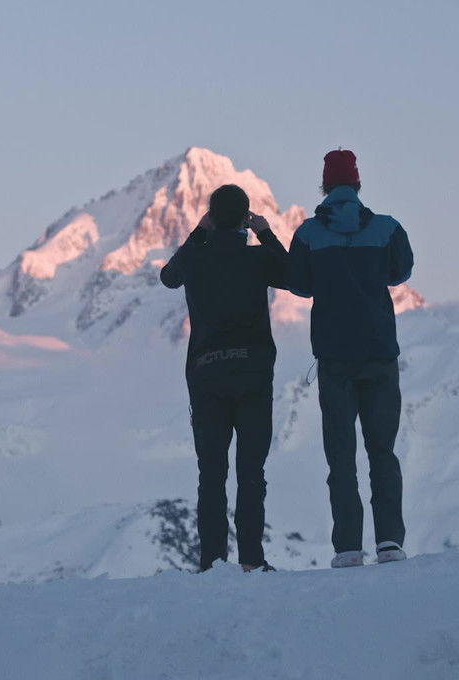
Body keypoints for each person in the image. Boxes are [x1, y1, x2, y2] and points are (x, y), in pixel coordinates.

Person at [286, 149, 414, 569]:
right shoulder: (388, 228)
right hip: (379, 353)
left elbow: (299, 285)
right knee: (383, 451)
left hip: (334, 357)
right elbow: (401, 272)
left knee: (340, 455)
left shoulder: (307, 234)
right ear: (358, 184)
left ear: (324, 186)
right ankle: (390, 542)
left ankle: (347, 548)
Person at [160, 184, 288, 572]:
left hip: (207, 375)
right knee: (251, 471)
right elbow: (294, 273)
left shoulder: (196, 260)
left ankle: (213, 562)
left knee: (211, 474)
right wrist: (265, 233)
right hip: (253, 374)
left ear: (212, 218)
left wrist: (199, 233)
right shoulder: (256, 259)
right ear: (245, 219)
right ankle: (251, 560)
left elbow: (169, 276)